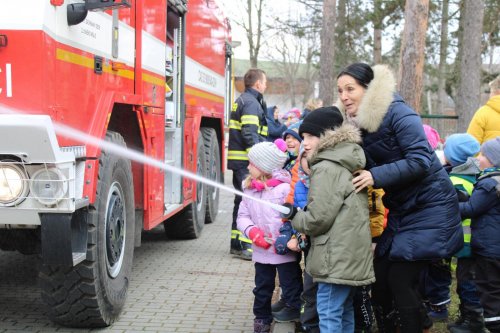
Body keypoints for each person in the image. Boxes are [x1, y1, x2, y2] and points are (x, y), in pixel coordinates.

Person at [337, 63, 463, 332]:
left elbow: (419, 160)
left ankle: (414, 326)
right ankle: (417, 323)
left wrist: (374, 176)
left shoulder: (399, 113)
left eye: (350, 89)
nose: (344, 96)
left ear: (369, 89)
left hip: (432, 206)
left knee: (399, 279)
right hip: (402, 210)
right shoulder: (358, 125)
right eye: (340, 91)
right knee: (380, 277)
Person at [289, 106, 375, 332]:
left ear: (327, 135)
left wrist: (295, 216)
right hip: (348, 254)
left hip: (333, 258)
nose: (304, 142)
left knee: (328, 312)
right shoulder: (346, 159)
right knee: (343, 311)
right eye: (303, 137)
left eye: (310, 136)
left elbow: (319, 219)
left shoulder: (327, 167)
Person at [236, 139, 303, 333]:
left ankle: (294, 309)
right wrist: (252, 232)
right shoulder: (249, 189)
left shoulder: (284, 189)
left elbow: (293, 214)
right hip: (261, 250)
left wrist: (288, 236)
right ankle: (261, 318)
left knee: (290, 282)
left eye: (252, 163)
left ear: (265, 167)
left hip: (284, 250)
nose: (248, 166)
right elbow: (242, 216)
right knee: (262, 287)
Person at [440, 134, 485, 333]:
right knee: (465, 281)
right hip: (471, 241)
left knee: (468, 283)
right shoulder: (474, 174)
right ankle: (467, 315)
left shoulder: (456, 180)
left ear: (453, 156)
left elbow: (451, 210)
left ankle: (473, 321)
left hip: (466, 242)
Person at [459, 137, 500, 333]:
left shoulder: (489, 183)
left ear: (493, 160)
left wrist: (451, 204)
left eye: (483, 154)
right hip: (496, 246)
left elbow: (472, 209)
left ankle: (494, 325)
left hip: (489, 248)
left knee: (489, 288)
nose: (479, 158)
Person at [228, 68, 269, 260]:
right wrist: (259, 160)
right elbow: (249, 134)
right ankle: (245, 245)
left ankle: (237, 243)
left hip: (240, 161)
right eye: (265, 82)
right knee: (248, 203)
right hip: (246, 162)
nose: (266, 85)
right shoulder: (252, 103)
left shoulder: (244, 100)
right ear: (258, 84)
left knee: (240, 200)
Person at [467, 75, 500, 144]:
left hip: (488, 154)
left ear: (496, 92)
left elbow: (471, 144)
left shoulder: (483, 113)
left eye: (491, 92)